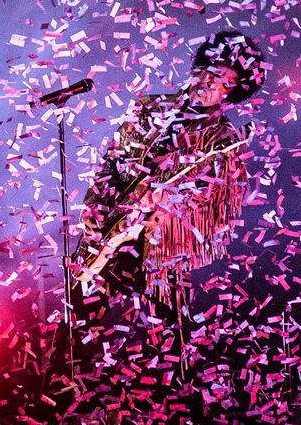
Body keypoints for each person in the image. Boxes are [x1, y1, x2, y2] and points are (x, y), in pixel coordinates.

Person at [70, 31, 265, 336]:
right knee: (79, 325)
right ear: (201, 67)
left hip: (160, 249)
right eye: (213, 73)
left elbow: (215, 202)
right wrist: (93, 207)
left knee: (162, 339)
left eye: (227, 84)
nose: (213, 85)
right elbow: (111, 162)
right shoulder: (149, 106)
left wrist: (165, 200)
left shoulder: (223, 139)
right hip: (106, 232)